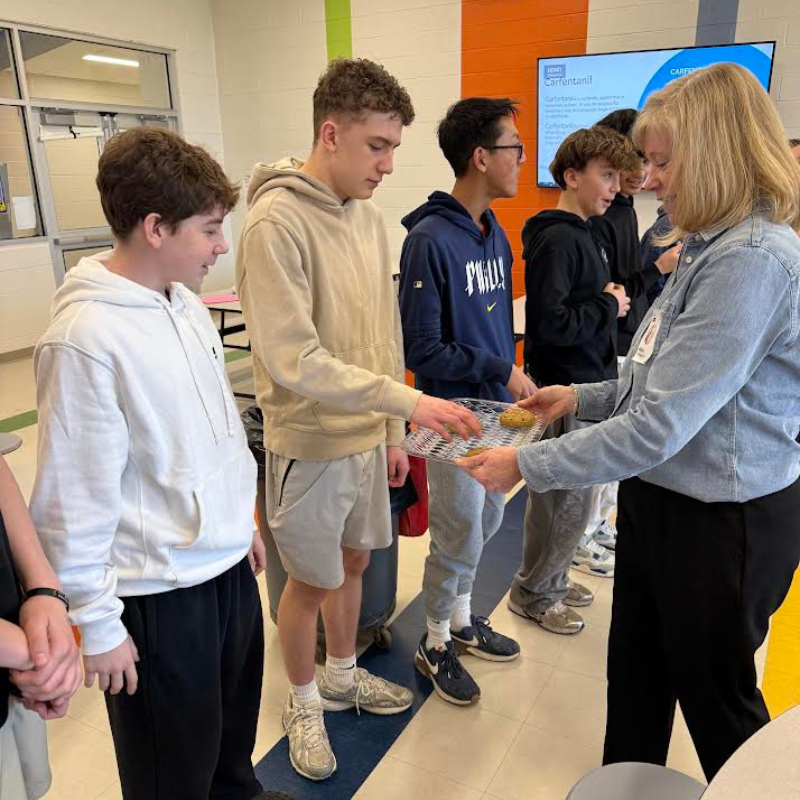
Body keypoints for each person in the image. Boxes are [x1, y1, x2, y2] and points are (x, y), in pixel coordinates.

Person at [458, 63, 800, 781]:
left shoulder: (754, 261)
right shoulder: (710, 247)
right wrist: (575, 399)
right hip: (665, 500)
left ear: (714, 157)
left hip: (719, 521)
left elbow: (659, 426)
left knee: (721, 711)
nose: (649, 180)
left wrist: (526, 464)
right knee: (638, 680)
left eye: (662, 162)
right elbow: (653, 382)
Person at [235, 58, 480, 782]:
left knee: (353, 563)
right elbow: (293, 359)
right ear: (331, 133)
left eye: (395, 146)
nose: (389, 162)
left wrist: (391, 433)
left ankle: (342, 674)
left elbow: (384, 335)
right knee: (306, 582)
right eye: (378, 144)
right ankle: (304, 700)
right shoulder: (274, 223)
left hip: (367, 437)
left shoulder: (371, 220)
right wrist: (406, 404)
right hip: (309, 443)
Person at [30, 128, 277, 800]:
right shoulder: (85, 338)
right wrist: (99, 626)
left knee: (229, 740)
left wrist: (241, 522)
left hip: (224, 569)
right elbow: (70, 502)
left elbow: (216, 435)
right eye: (210, 229)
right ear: (155, 228)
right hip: (159, 598)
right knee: (173, 769)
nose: (221, 245)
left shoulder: (188, 306)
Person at [399, 98, 533, 705]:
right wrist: (498, 367)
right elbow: (424, 352)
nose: (521, 160)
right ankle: (432, 642)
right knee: (456, 533)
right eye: (514, 148)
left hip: (495, 414)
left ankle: (459, 620)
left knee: (487, 521)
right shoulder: (428, 240)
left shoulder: (494, 234)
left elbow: (494, 325)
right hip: (452, 418)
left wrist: (509, 375)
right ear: (480, 157)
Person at [506, 126, 637, 635]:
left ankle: (547, 579)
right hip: (565, 389)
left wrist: (608, 303)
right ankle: (539, 592)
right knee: (564, 499)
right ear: (571, 175)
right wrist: (609, 304)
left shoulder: (588, 232)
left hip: (586, 385)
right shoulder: (559, 238)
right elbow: (550, 324)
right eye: (605, 175)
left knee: (566, 498)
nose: (615, 186)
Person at [585, 109, 681, 554]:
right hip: (608, 345)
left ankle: (598, 524)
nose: (645, 173)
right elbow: (614, 290)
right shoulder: (601, 217)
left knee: (612, 454)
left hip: (622, 341)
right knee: (600, 450)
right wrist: (657, 269)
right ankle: (585, 534)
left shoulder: (623, 211)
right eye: (637, 160)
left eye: (653, 162)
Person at [0, 454, 82, 800]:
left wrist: (44, 590)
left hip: (15, 657)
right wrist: (32, 652)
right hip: (17, 651)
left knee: (26, 783)